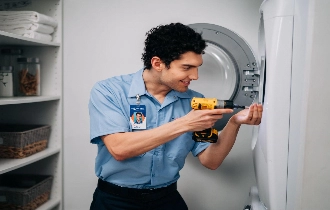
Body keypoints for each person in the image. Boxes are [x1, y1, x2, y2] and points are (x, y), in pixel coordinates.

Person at [88, 22, 263, 210]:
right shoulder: (109, 91)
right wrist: (185, 123)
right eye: (187, 67)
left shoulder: (196, 101)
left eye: (198, 68)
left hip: (166, 199)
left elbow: (211, 161)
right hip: (115, 201)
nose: (195, 76)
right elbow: (119, 149)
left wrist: (234, 122)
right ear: (158, 63)